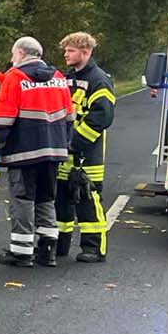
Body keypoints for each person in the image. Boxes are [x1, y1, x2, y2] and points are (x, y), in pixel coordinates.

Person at [0, 36, 74, 268]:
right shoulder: (58, 78)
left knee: (23, 200)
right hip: (54, 151)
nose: (11, 58)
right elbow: (69, 116)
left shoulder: (15, 78)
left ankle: (21, 251)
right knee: (46, 198)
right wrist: (64, 144)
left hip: (23, 152)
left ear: (22, 54)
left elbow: (4, 118)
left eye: (13, 54)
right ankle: (48, 249)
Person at [55, 31, 117, 263]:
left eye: (70, 50)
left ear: (85, 52)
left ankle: (93, 248)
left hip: (86, 156)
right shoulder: (66, 77)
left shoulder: (99, 80)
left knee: (88, 202)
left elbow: (101, 117)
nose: (66, 54)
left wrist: (75, 143)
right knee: (61, 202)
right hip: (64, 154)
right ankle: (59, 245)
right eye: (66, 50)